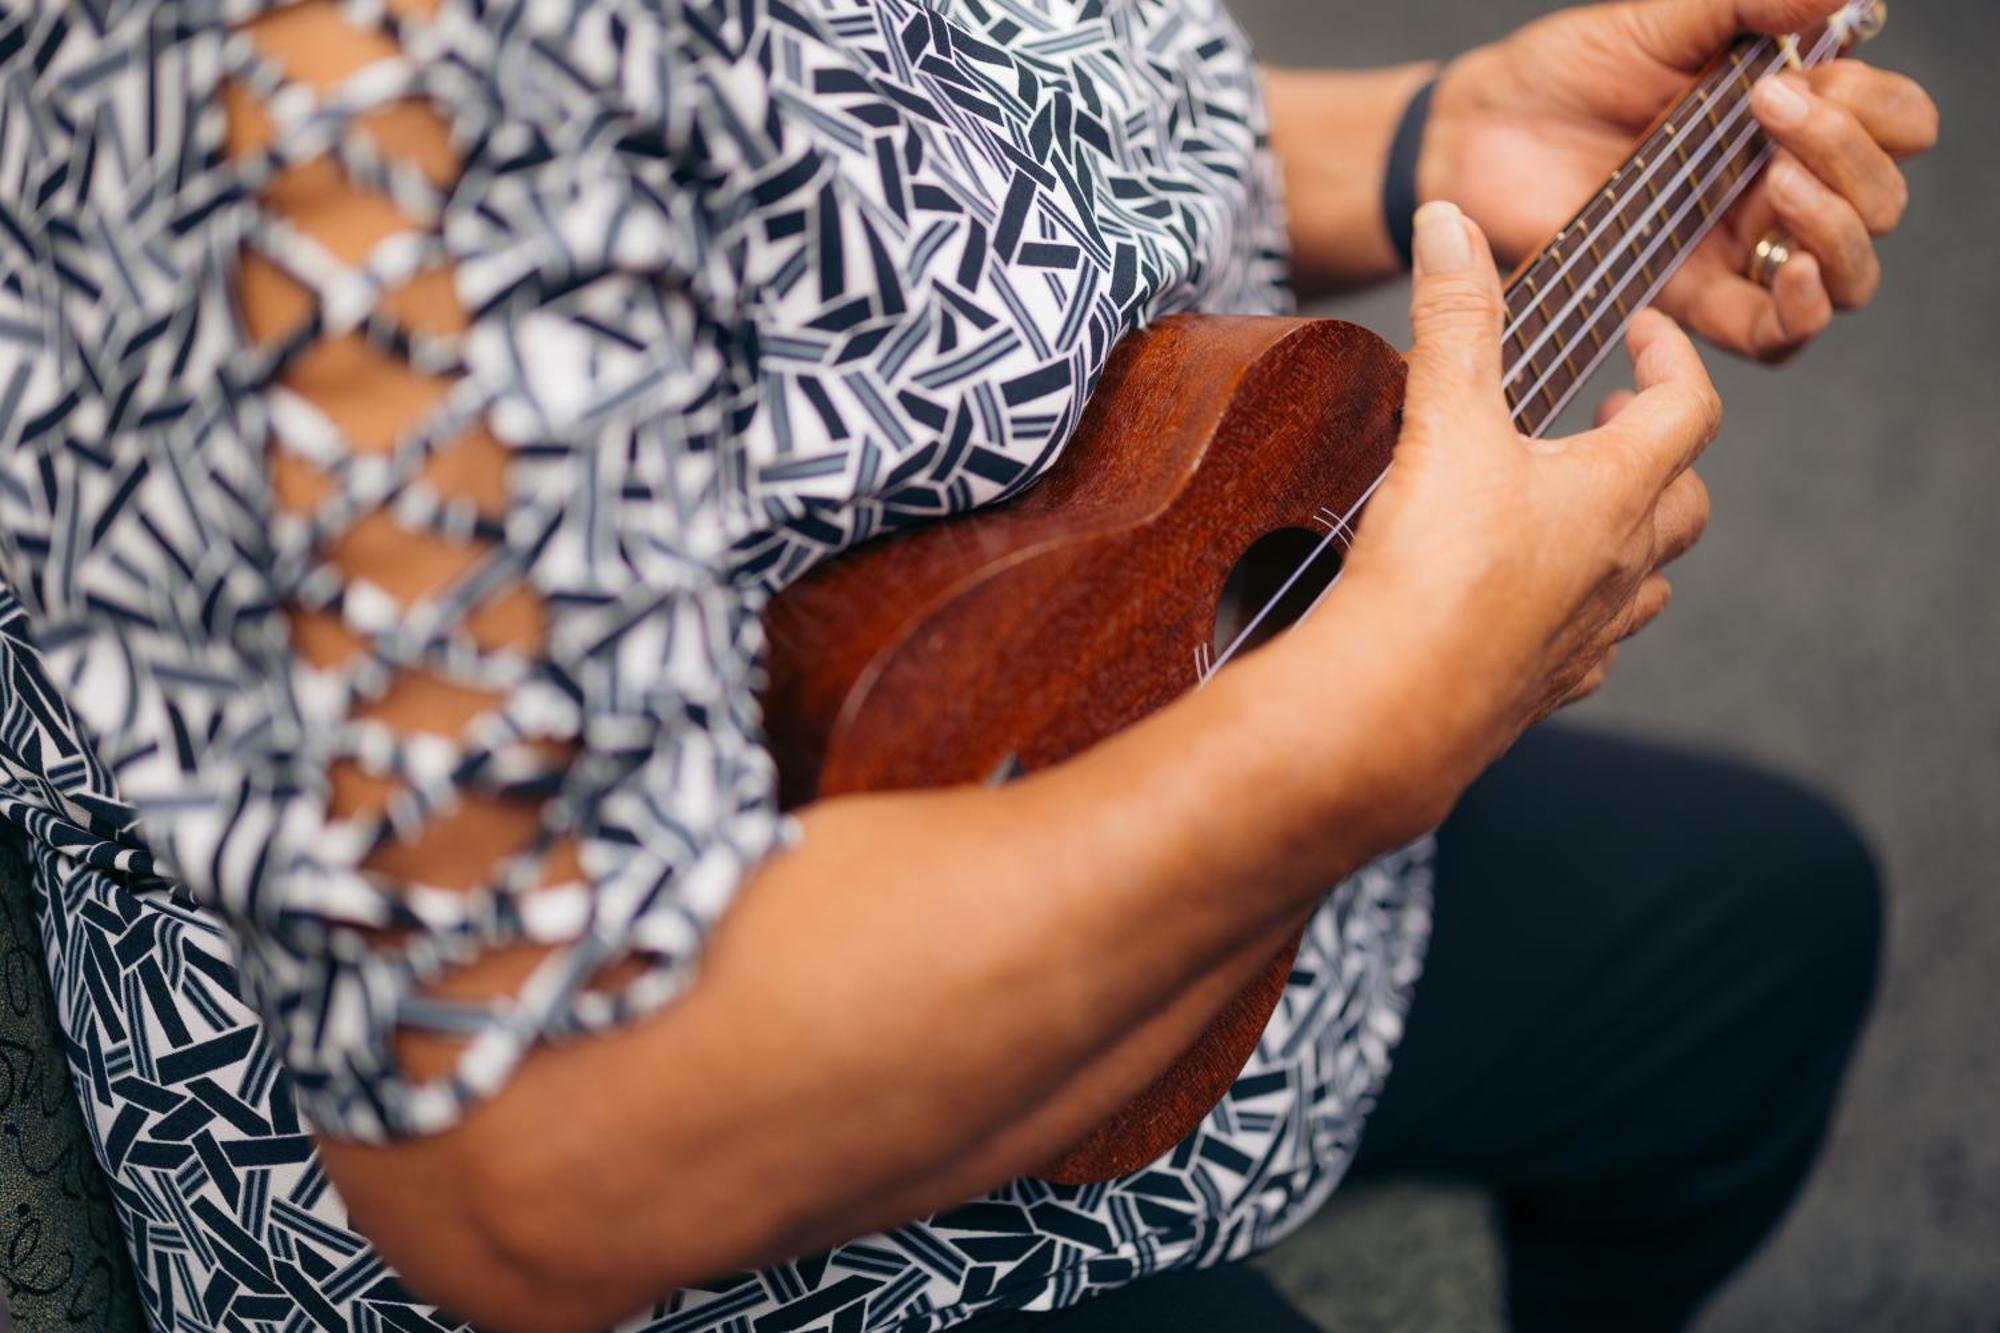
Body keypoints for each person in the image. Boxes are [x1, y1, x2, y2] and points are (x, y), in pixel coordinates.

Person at [0, 0, 1934, 1329]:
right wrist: (1383, 723)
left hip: (1144, 709)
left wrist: (1437, 131)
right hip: (727, 1226)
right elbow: (547, 1143)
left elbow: (952, 131)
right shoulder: (294, 54)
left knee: (1773, 932)